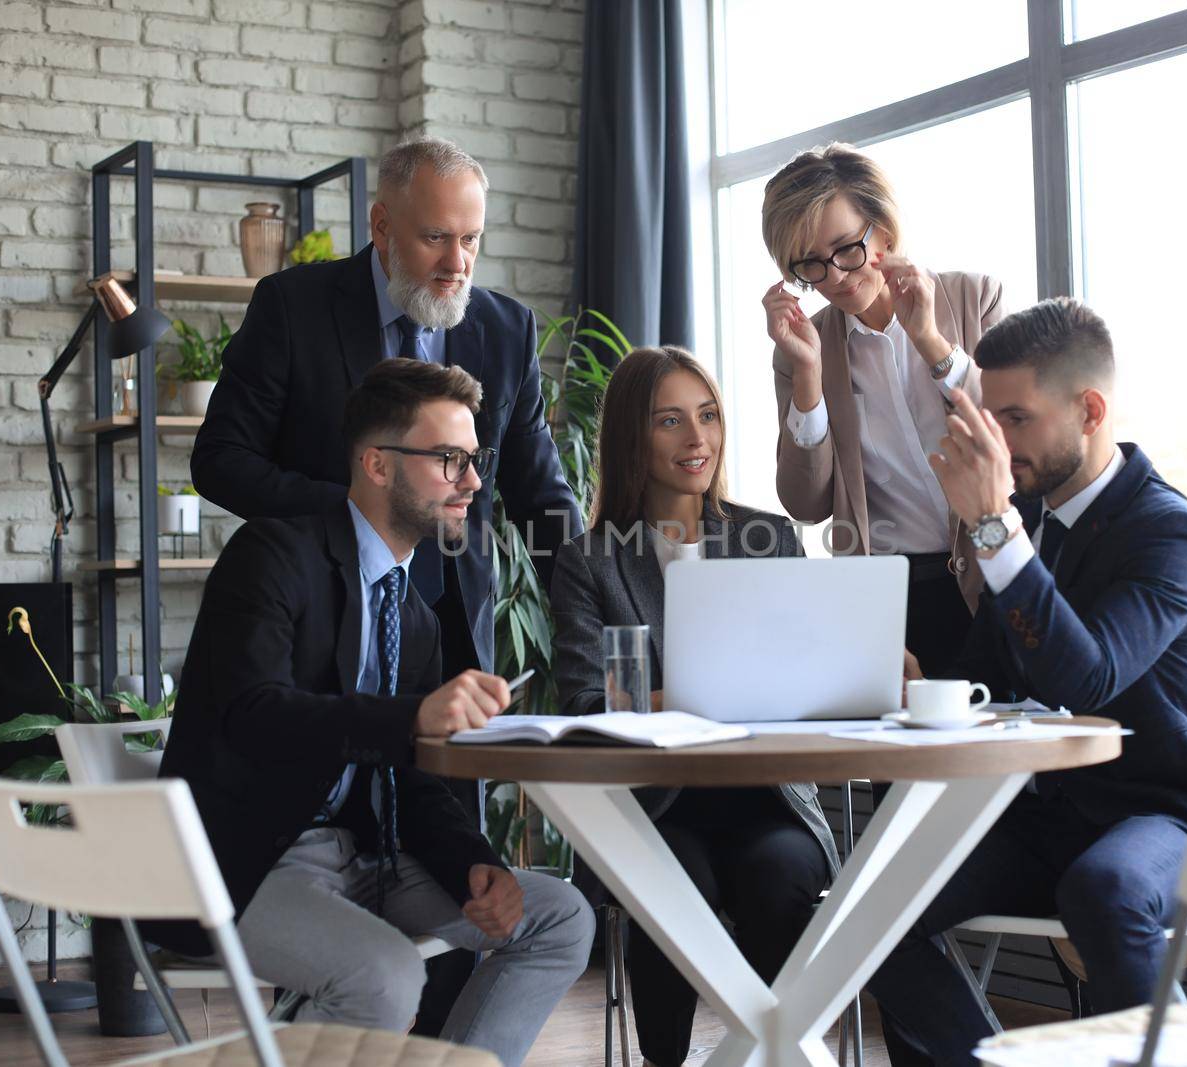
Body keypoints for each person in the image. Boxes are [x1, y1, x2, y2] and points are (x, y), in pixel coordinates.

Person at [155, 359, 594, 1067]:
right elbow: (252, 714)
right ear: (377, 464)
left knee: (559, 917)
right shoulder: (272, 557)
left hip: (372, 856)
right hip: (252, 864)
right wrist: (412, 717)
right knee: (389, 973)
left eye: (474, 460)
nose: (474, 481)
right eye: (450, 459)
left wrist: (474, 864)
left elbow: (413, 778)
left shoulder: (413, 613)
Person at [864, 298, 1187, 1066]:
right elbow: (989, 682)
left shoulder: (1168, 532)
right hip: (1050, 817)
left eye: (1016, 419)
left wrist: (994, 529)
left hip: (1163, 816)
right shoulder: (1029, 520)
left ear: (1089, 409)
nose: (996, 441)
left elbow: (1083, 678)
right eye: (988, 418)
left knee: (1102, 889)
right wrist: (917, 680)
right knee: (869, 899)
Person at [192, 135, 579, 679]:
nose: (457, 263)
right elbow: (220, 460)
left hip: (456, 628)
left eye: (471, 239)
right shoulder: (291, 307)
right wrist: (363, 518)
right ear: (381, 227)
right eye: (436, 237)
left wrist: (603, 603)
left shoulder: (508, 330)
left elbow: (539, 493)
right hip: (322, 614)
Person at [549, 347, 839, 1067]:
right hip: (657, 804)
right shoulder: (589, 559)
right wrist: (719, 687)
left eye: (707, 416)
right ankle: (666, 1061)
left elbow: (804, 680)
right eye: (670, 421)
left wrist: (669, 693)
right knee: (669, 883)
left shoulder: (767, 538)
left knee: (780, 875)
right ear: (630, 438)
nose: (696, 438)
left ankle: (773, 1053)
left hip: (765, 797)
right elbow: (591, 701)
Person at [760, 143, 1007, 677]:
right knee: (900, 760)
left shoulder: (973, 300)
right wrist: (808, 375)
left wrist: (931, 343)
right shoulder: (806, 346)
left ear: (884, 232)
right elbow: (806, 503)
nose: (833, 278)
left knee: (1012, 751)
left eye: (846, 249)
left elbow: (1014, 441)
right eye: (810, 265)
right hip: (893, 604)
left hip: (997, 574)